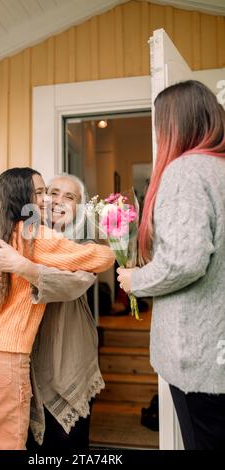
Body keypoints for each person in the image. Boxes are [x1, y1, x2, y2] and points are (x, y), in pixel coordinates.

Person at [0, 167, 115, 450]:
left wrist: (23, 266)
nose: (55, 200)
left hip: (56, 353)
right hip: (5, 353)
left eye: (69, 196)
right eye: (49, 193)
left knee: (57, 440)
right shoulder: (28, 232)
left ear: (80, 206)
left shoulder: (77, 237)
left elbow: (76, 281)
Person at [116, 80, 225, 450]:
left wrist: (136, 280)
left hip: (200, 357)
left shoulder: (186, 171)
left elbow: (185, 260)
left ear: (173, 125)